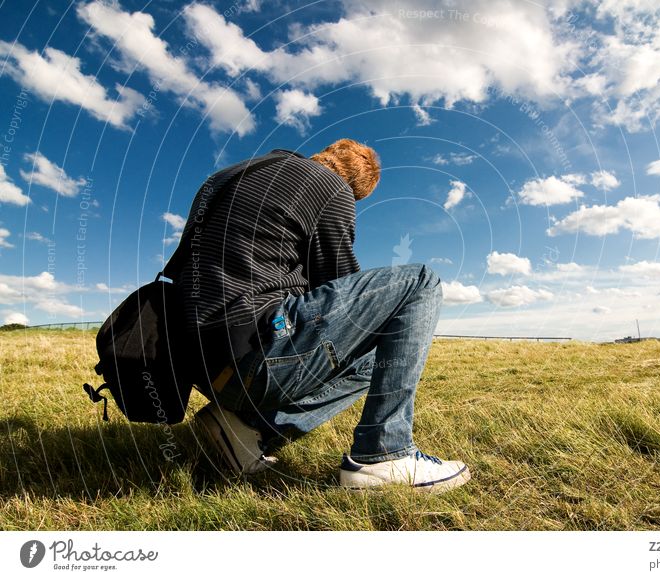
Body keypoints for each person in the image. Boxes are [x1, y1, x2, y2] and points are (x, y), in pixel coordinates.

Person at [172, 139, 470, 493]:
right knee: (420, 282)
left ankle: (244, 430)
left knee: (372, 359)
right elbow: (341, 285)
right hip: (254, 356)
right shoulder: (330, 187)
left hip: (197, 364)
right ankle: (385, 453)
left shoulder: (227, 177)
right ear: (356, 186)